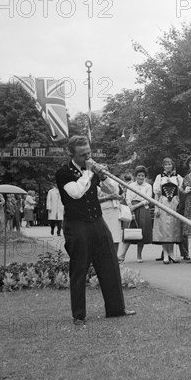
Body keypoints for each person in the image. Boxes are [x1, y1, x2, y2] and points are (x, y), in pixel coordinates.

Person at [55, 135, 135, 325]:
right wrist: (89, 173)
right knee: (79, 268)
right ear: (71, 154)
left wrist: (104, 176)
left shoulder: (92, 170)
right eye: (83, 155)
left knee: (110, 263)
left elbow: (113, 190)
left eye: (89, 153)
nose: (87, 158)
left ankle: (116, 309)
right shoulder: (63, 173)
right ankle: (79, 315)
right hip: (76, 225)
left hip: (97, 221)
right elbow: (76, 193)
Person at [119, 165, 153, 263]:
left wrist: (137, 206)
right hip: (131, 208)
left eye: (142, 175)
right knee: (129, 230)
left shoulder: (148, 186)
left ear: (145, 176)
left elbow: (148, 199)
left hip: (142, 208)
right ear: (135, 176)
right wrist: (130, 207)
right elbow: (128, 197)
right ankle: (122, 255)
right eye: (139, 175)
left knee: (141, 232)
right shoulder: (131, 186)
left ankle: (139, 255)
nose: (141, 177)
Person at [152, 157, 183, 264]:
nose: (168, 166)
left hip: (174, 204)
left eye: (170, 164)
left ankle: (171, 253)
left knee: (172, 229)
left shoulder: (178, 177)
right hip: (163, 203)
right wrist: (156, 207)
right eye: (166, 164)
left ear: (172, 165)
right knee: (164, 229)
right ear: (163, 166)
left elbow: (182, 191)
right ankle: (165, 253)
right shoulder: (159, 177)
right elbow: (156, 193)